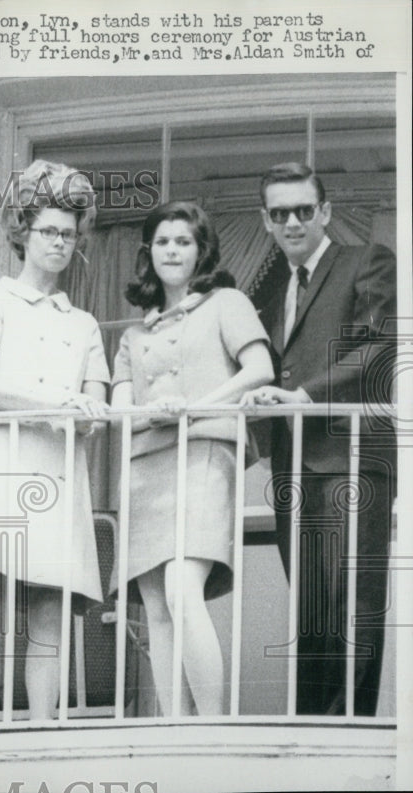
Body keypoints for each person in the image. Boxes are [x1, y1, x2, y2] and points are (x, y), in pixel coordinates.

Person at [0, 160, 109, 722]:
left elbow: (96, 402)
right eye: (48, 231)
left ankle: (41, 732)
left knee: (48, 607)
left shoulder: (82, 322)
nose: (60, 243)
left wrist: (87, 411)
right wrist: (55, 402)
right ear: (23, 232)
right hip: (1, 467)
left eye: (68, 233)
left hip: (59, 472)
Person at [241, 163, 396, 716]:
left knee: (353, 602)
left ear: (325, 212)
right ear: (265, 220)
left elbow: (378, 345)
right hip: (294, 464)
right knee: (310, 607)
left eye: (304, 210)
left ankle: (348, 734)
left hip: (350, 456)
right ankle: (313, 731)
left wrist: (305, 394)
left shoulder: (366, 262)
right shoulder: (271, 286)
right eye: (280, 213)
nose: (293, 222)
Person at [111, 201, 274, 716]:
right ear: (148, 253)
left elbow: (260, 368)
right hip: (144, 465)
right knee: (157, 607)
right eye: (162, 241)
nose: (172, 250)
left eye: (183, 241)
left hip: (203, 451)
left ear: (201, 250)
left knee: (184, 590)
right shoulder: (134, 335)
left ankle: (211, 727)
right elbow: (119, 407)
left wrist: (193, 407)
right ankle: (173, 728)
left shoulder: (227, 302)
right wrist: (149, 411)